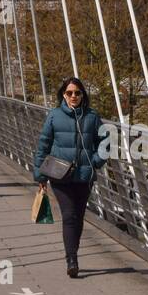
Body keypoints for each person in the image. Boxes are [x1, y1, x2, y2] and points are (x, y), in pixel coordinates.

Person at [32, 76, 106, 279]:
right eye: (69, 93)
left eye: (77, 93)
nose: (74, 96)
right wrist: (40, 175)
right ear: (63, 95)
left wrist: (96, 160)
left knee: (79, 217)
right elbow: (43, 145)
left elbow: (107, 142)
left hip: (84, 175)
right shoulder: (54, 116)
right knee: (69, 215)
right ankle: (71, 259)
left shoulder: (92, 116)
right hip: (59, 174)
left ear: (83, 95)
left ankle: (73, 251)